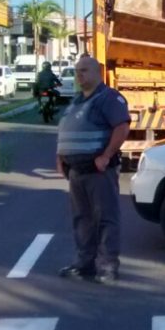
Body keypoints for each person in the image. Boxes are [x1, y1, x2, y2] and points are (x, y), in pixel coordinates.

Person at [56, 56, 131, 284]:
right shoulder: (76, 101)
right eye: (77, 71)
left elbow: (122, 126)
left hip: (99, 171)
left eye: (85, 70)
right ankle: (84, 263)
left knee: (105, 218)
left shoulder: (108, 98)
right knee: (82, 219)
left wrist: (106, 155)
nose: (80, 75)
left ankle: (107, 266)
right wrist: (60, 156)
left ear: (98, 72)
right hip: (76, 172)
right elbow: (66, 129)